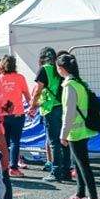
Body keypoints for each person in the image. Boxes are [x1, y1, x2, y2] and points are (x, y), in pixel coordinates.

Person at [57, 53, 100, 199]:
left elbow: (68, 113)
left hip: (75, 132)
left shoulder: (69, 86)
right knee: (78, 163)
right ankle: (80, 193)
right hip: (83, 128)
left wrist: (63, 134)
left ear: (61, 68)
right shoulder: (79, 83)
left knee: (83, 165)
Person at [29, 47, 70, 182]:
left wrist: (32, 105)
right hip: (63, 106)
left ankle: (56, 172)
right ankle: (66, 171)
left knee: (54, 142)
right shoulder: (59, 68)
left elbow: (38, 91)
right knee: (64, 140)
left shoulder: (44, 69)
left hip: (50, 108)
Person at [0, 55, 31, 176]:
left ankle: (1, 166)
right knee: (15, 141)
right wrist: (31, 108)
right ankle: (13, 168)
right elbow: (27, 95)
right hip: (18, 114)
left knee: (3, 141)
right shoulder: (20, 78)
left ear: (1, 65)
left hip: (2, 115)